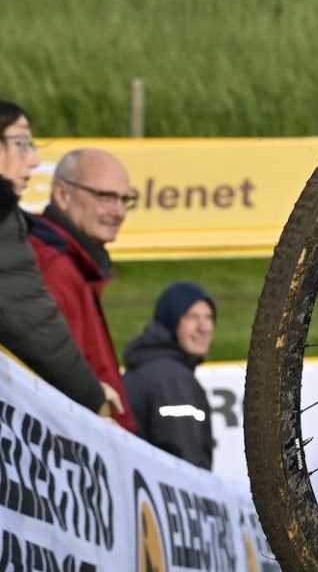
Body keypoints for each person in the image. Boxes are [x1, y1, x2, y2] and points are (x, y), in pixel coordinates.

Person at [0, 100, 123, 419]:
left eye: (125, 200)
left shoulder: (72, 257)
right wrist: (93, 397)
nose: (34, 160)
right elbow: (34, 321)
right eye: (22, 144)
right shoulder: (47, 256)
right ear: (63, 194)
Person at [28, 148, 135, 430]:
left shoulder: (76, 262)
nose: (119, 212)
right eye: (106, 197)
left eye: (125, 199)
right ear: (63, 195)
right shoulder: (53, 266)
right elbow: (59, 376)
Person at [122, 281, 217, 468]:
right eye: (192, 317)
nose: (204, 327)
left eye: (209, 317)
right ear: (170, 322)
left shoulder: (149, 367)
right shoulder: (174, 380)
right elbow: (186, 465)